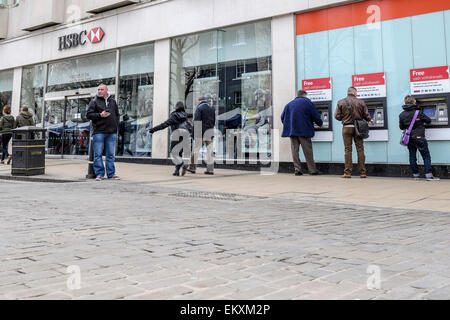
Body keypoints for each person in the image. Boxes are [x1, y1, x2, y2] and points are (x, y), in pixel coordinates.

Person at [281, 90, 323, 176]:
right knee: (308, 151)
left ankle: (297, 169)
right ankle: (312, 170)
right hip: (304, 130)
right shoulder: (307, 103)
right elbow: (315, 115)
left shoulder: (289, 104)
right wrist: (320, 123)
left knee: (294, 150)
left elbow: (282, 117)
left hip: (292, 131)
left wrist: (290, 125)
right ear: (305, 95)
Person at [334, 87, 373, 178]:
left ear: (348, 93)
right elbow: (366, 115)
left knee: (348, 149)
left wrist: (344, 119)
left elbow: (336, 116)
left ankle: (347, 172)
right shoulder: (361, 102)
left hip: (347, 127)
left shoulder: (341, 102)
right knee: (360, 149)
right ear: (354, 92)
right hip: (358, 129)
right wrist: (369, 120)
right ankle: (362, 172)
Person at [399, 95, 439, 181]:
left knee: (412, 156)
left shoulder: (401, 114)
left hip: (409, 138)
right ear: (413, 102)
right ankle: (429, 175)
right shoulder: (418, 112)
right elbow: (428, 120)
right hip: (419, 137)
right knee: (426, 156)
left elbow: (401, 127)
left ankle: (416, 175)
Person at [86, 84, 120, 181]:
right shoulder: (94, 101)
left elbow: (117, 115)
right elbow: (88, 115)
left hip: (111, 132)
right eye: (98, 89)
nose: (99, 91)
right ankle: (99, 174)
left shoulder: (113, 101)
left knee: (110, 154)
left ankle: (111, 174)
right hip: (99, 132)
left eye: (102, 89)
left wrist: (115, 126)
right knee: (98, 154)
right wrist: (100, 115)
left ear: (106, 90)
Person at [148, 101, 191, 176]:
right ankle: (176, 171)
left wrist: (153, 129)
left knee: (174, 153)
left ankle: (182, 164)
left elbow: (164, 124)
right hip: (185, 136)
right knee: (179, 153)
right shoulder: (185, 115)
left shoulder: (174, 115)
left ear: (176, 107)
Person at [187, 96, 216, 175]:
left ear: (199, 101)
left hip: (200, 133)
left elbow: (197, 122)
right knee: (210, 151)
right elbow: (213, 122)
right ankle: (210, 170)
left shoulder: (199, 108)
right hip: (209, 133)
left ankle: (192, 168)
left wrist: (194, 134)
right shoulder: (212, 108)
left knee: (196, 150)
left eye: (197, 102)